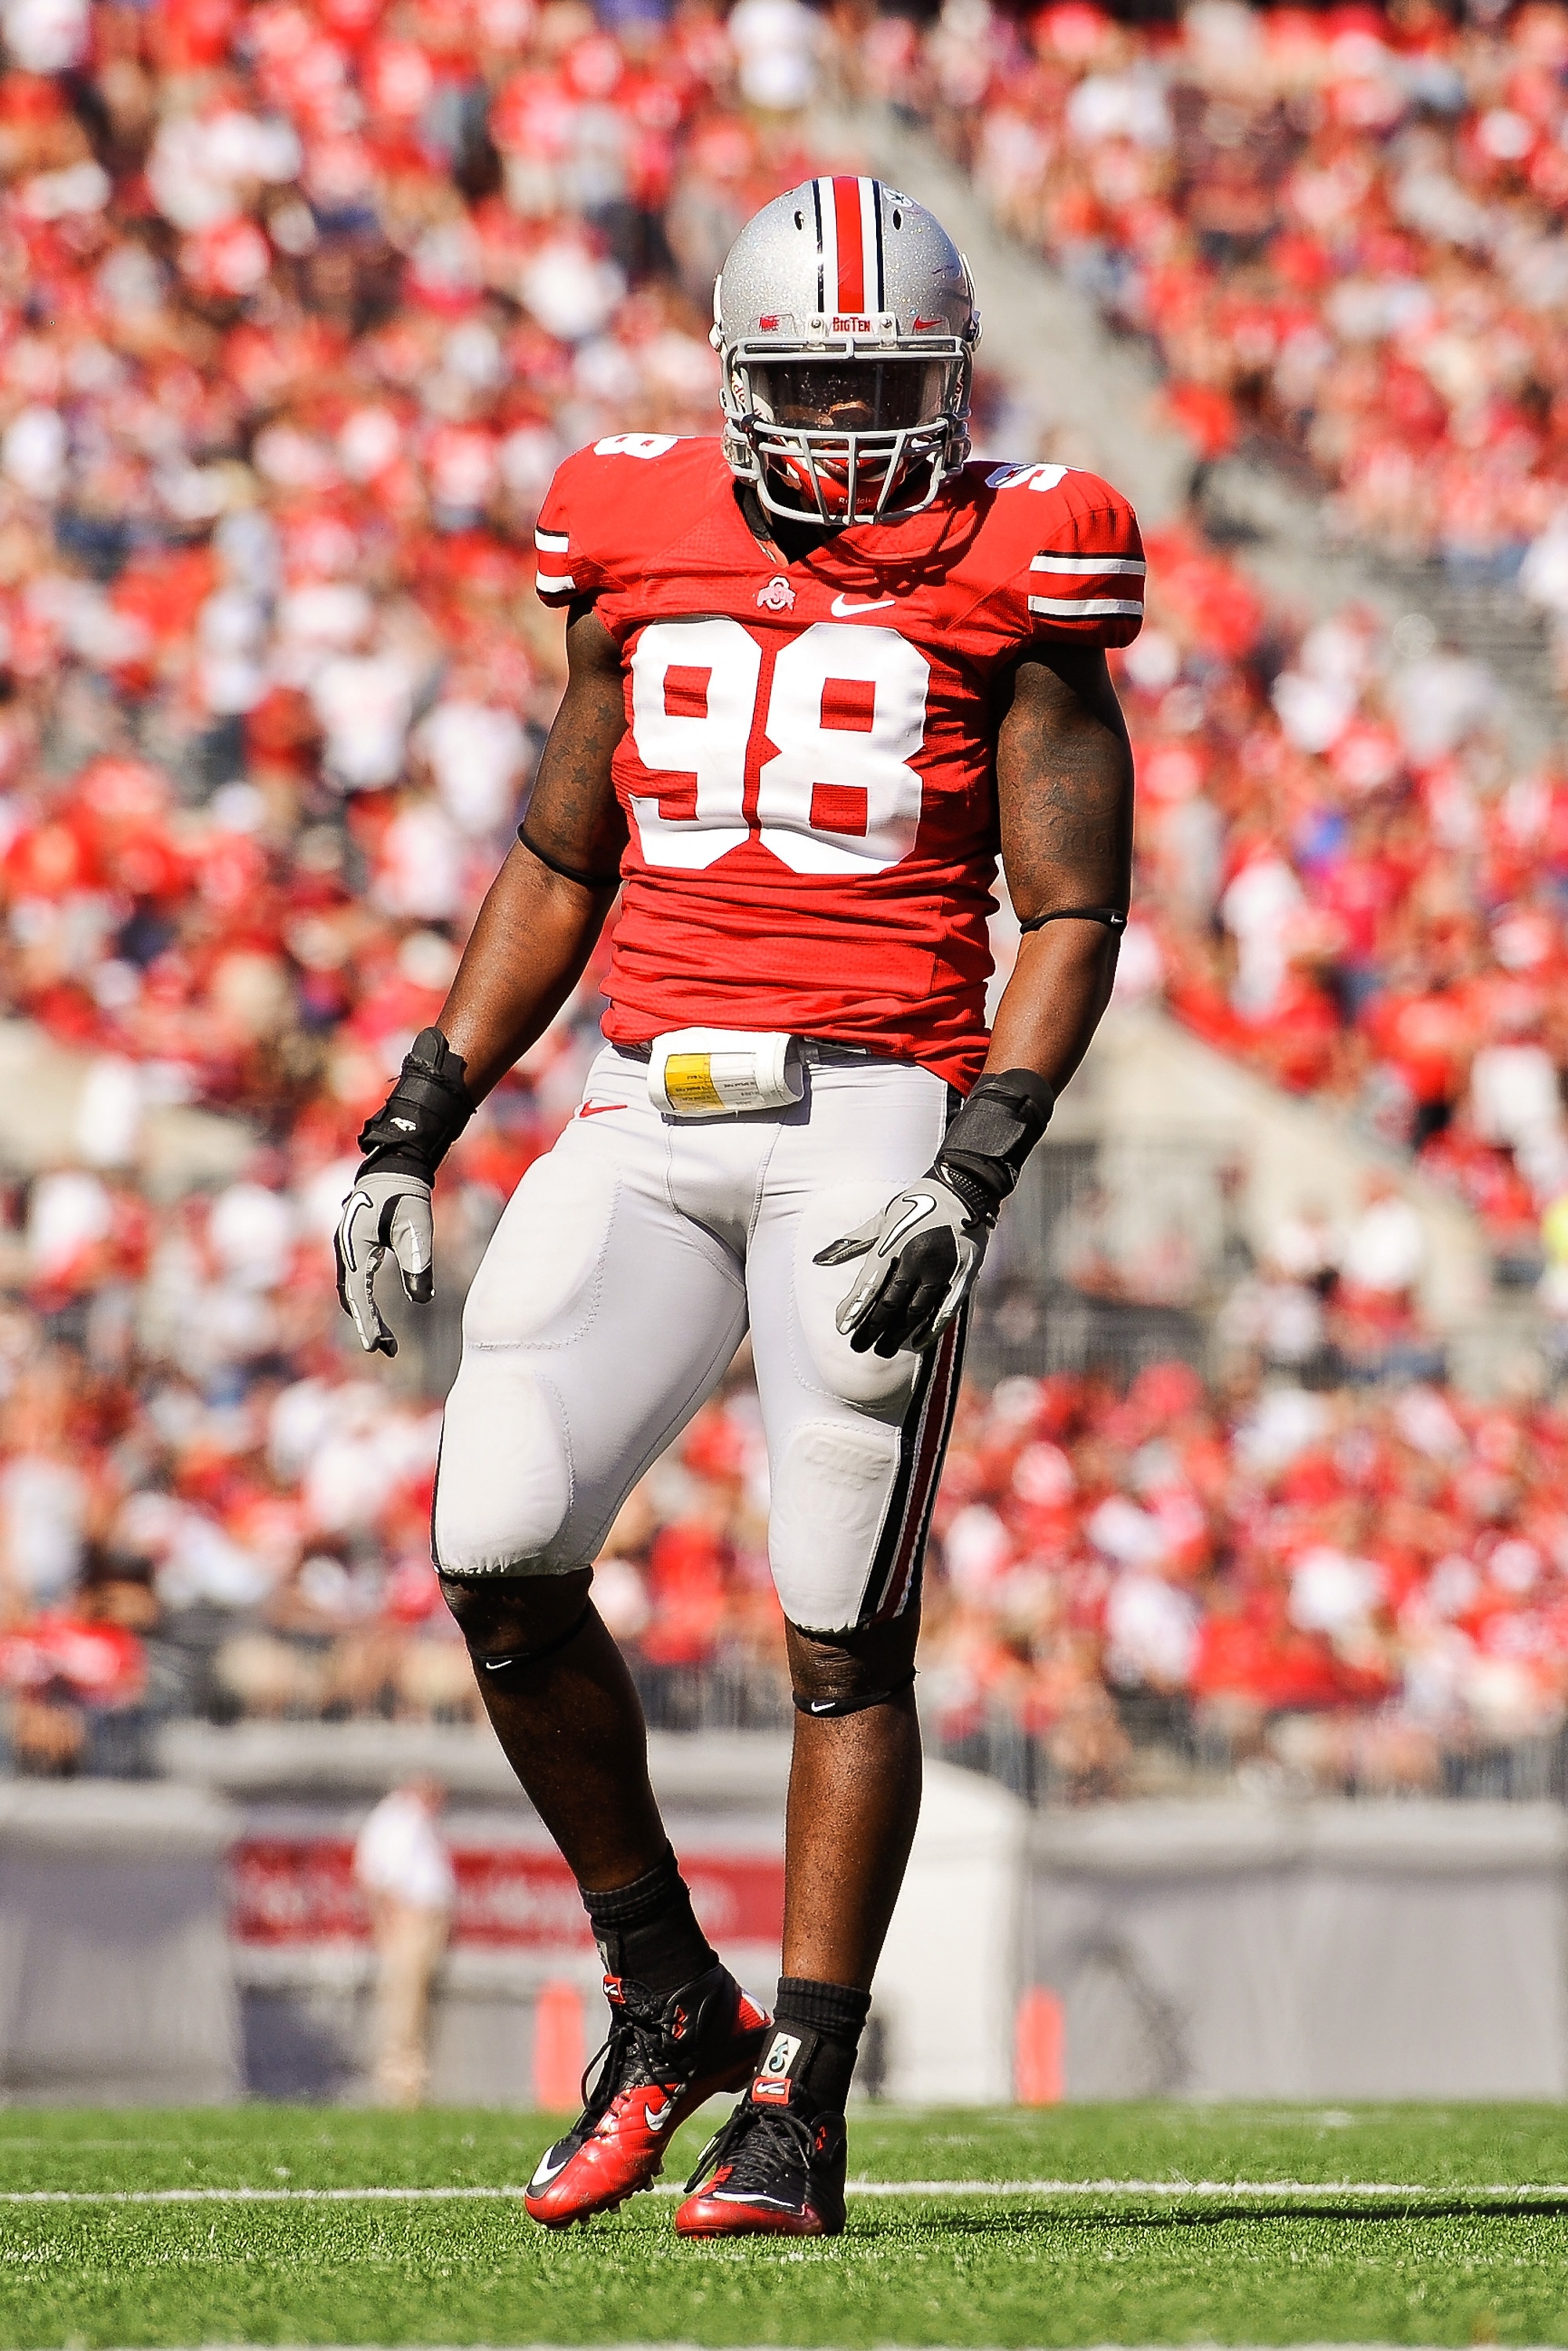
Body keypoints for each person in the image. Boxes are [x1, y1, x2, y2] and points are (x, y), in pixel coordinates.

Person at [335, 177, 1139, 2237]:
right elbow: (554, 852)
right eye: (810, 383)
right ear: (732, 381)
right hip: (642, 1103)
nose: (853, 429)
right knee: (498, 1546)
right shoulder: (628, 522)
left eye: (888, 387)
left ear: (954, 384)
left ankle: (801, 2091)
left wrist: (978, 1168)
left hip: (873, 1115)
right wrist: (413, 1122)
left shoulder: (1022, 559)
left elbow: (1072, 903)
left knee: (836, 1619)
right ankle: (664, 1990)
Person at [353, 1777, 457, 2108]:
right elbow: (382, 1879)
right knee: (405, 2001)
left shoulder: (416, 1819)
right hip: (412, 1919)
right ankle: (400, 2084)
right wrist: (390, 1924)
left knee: (419, 2002)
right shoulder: (399, 1818)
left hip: (425, 1919)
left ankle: (413, 2080)